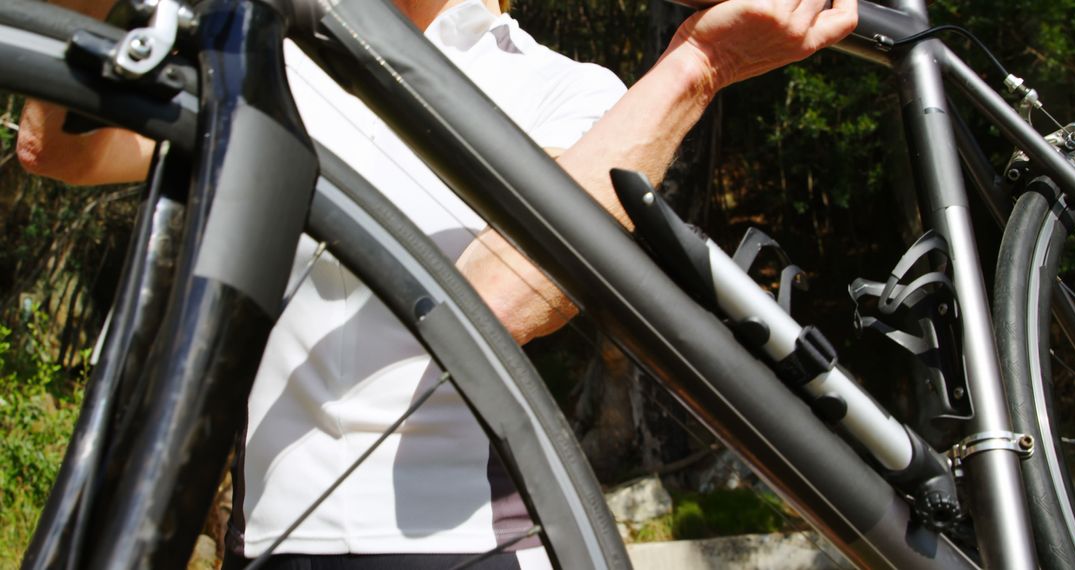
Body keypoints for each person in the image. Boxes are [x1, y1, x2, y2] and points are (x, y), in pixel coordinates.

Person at [18, 0, 857, 568]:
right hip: (267, 545)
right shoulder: (276, 61)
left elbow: (506, 296)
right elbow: (60, 147)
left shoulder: (569, 91)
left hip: (464, 549)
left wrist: (698, 65)